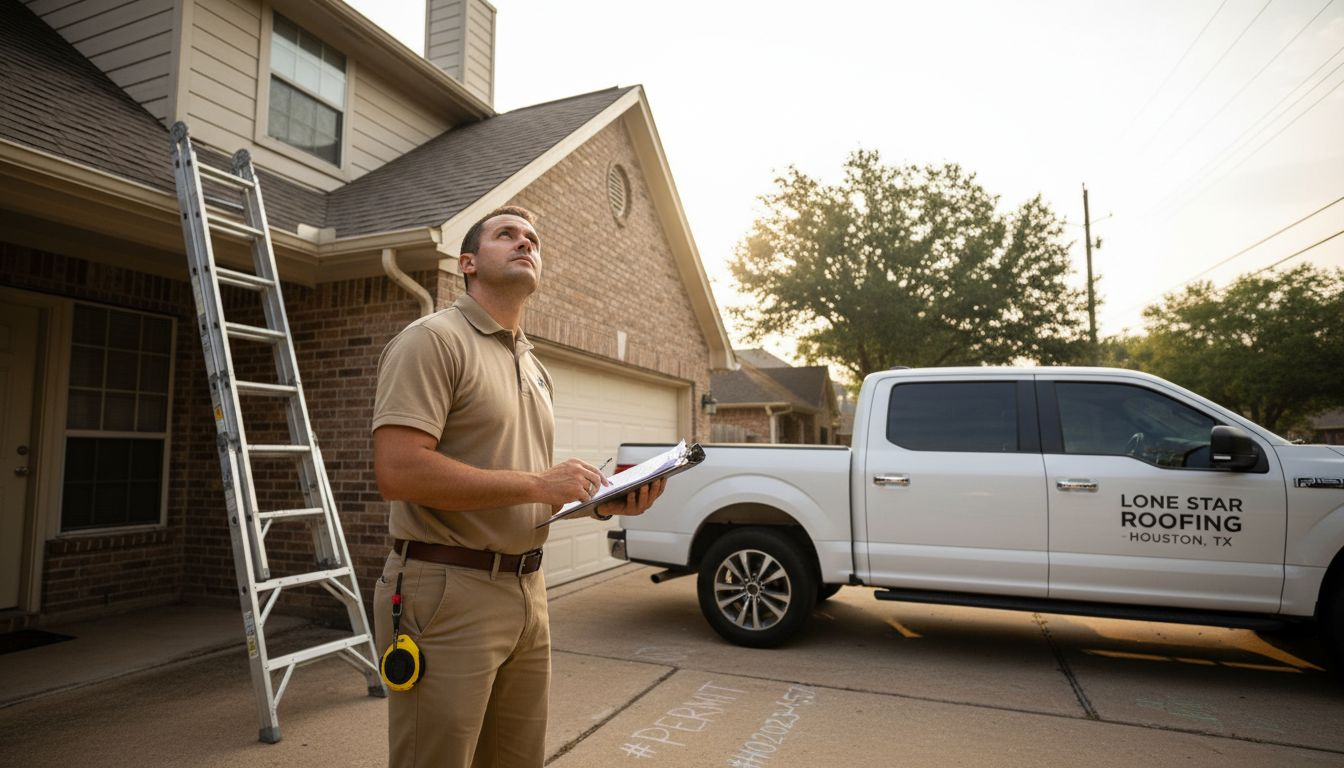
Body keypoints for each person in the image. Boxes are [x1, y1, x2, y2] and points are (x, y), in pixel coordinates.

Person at [370, 205, 665, 768]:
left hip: (528, 591)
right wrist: (539, 480)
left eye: (533, 238)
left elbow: (524, 493)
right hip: (446, 590)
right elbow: (399, 471)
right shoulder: (433, 340)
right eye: (506, 235)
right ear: (468, 263)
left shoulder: (532, 362)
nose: (524, 243)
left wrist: (600, 503)